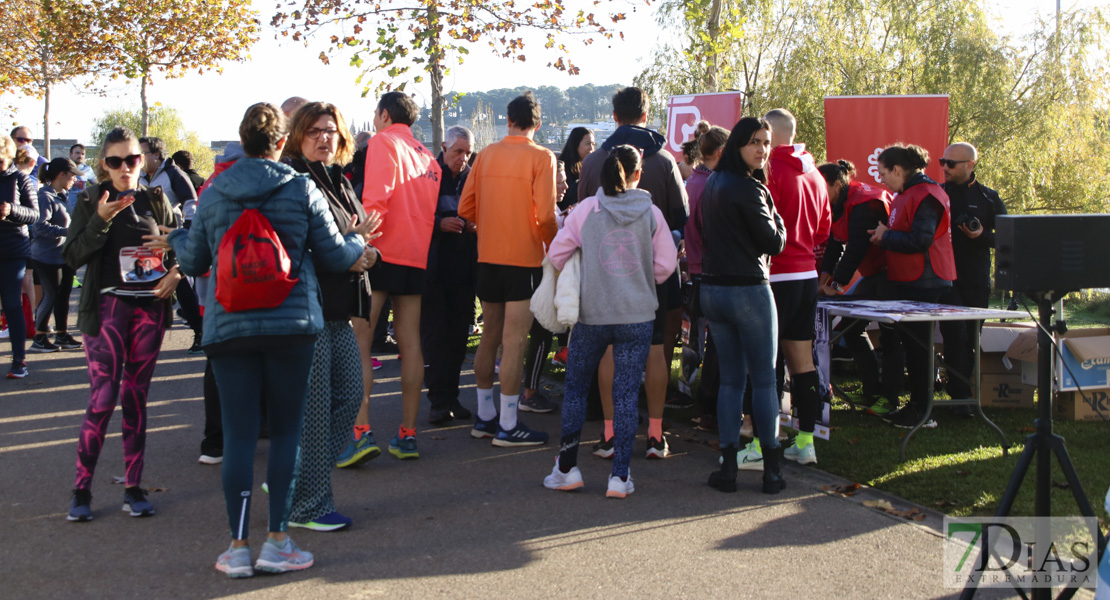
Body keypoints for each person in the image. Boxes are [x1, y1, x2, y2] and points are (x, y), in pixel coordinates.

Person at [157, 102, 375, 577]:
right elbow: (336, 256)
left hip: (229, 326)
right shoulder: (300, 187)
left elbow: (193, 262)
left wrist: (175, 238)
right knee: (287, 435)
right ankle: (278, 541)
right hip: (290, 326)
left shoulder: (214, 193)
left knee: (237, 437)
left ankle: (236, 547)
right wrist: (361, 245)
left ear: (243, 140)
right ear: (282, 142)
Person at [62, 126, 183, 522]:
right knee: (102, 400)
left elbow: (183, 244)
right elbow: (71, 257)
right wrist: (98, 219)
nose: (125, 168)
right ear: (104, 165)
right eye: (115, 161)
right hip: (107, 311)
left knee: (136, 400)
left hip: (148, 311)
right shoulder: (89, 200)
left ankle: (133, 487)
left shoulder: (155, 198)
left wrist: (176, 273)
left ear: (142, 159)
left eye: (132, 159)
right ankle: (82, 492)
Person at [542, 144, 677, 498]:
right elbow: (665, 265)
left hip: (593, 315)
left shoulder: (586, 209)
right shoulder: (651, 213)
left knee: (575, 388)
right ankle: (620, 477)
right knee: (628, 392)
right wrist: (640, 280)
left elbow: (557, 254)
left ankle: (567, 469)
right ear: (638, 173)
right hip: (637, 314)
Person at [281, 101, 382, 531]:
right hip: (310, 307)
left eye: (331, 131)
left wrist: (360, 246)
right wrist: (356, 249)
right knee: (319, 407)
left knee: (350, 393)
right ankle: (308, 506)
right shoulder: (296, 181)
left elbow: (347, 234)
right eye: (314, 131)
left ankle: (295, 481)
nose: (324, 138)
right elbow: (300, 244)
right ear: (296, 137)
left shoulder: (337, 178)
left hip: (340, 307)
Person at [578, 86, 688, 459]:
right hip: (654, 271)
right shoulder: (664, 160)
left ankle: (610, 435)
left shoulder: (593, 161)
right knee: (656, 350)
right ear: (646, 114)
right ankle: (656, 435)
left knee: (610, 350)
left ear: (613, 116)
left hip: (607, 273)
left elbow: (580, 220)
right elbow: (681, 219)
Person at [459, 91, 558, 447]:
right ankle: (509, 423)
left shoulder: (485, 155)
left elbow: (465, 208)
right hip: (524, 258)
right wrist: (553, 243)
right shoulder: (543, 157)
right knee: (515, 342)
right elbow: (546, 215)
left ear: (508, 119)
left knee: (490, 336)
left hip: (488, 256)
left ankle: (486, 417)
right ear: (538, 123)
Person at [350, 91, 441, 460]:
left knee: (361, 339)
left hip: (380, 251)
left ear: (384, 115)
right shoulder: (427, 156)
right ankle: (407, 433)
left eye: (375, 112)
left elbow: (376, 199)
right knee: (411, 344)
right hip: (416, 253)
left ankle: (361, 431)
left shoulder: (382, 142)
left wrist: (362, 243)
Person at [699, 116, 786, 494]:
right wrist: (777, 214)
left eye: (766, 142)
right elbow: (774, 242)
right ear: (737, 144)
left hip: (714, 289)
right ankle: (772, 469)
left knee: (731, 381)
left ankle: (729, 467)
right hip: (748, 290)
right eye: (754, 142)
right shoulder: (749, 188)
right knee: (764, 380)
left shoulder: (714, 181)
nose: (762, 149)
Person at [742, 108, 830, 469]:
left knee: (766, 364)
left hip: (774, 274)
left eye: (761, 137)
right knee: (802, 361)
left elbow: (757, 225)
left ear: (770, 135)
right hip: (806, 274)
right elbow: (825, 230)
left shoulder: (770, 171)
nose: (757, 145)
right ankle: (806, 441)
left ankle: (764, 445)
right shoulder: (816, 174)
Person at [868, 143, 956, 428]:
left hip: (925, 281)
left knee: (919, 347)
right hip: (909, 280)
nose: (881, 180)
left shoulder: (927, 194)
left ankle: (922, 409)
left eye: (883, 174)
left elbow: (921, 240)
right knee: (911, 345)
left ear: (897, 169)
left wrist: (887, 237)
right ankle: (916, 404)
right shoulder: (905, 194)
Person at [938, 142, 1006, 413]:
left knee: (971, 337)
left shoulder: (988, 197)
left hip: (976, 279)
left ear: (970, 165)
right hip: (945, 278)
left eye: (951, 164)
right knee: (955, 334)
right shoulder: (937, 192)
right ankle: (959, 397)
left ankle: (962, 391)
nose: (945, 167)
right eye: (943, 161)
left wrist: (982, 237)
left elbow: (1008, 237)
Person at [816, 160, 891, 408]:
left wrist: (835, 284)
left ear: (837, 184)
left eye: (820, 186)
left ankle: (889, 399)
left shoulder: (864, 201)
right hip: (874, 274)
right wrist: (824, 275)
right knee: (851, 328)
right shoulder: (836, 202)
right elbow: (835, 243)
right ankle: (873, 391)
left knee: (891, 334)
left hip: (893, 275)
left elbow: (857, 248)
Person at [421, 125, 479, 425]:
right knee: (435, 337)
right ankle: (438, 400)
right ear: (444, 147)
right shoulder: (428, 174)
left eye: (467, 153)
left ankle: (452, 395)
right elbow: (415, 213)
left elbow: (483, 211)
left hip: (464, 266)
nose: (463, 159)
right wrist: (438, 224)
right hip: (434, 267)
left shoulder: (472, 176)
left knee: (458, 335)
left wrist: (473, 224)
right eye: (458, 152)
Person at [683, 126, 729, 431]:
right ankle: (706, 406)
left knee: (701, 340)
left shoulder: (694, 182)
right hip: (711, 271)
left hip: (697, 270)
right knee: (716, 343)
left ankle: (697, 398)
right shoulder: (713, 184)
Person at [139, 137, 204, 352]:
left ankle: (200, 332)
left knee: (181, 287)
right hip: (145, 241)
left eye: (143, 154)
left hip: (170, 241)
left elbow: (191, 203)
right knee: (143, 285)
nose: (138, 159)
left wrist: (184, 233)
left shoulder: (174, 174)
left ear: (156, 155)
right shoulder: (139, 175)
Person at [30, 158, 83, 352]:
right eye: (72, 176)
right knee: (50, 295)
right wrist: (67, 231)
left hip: (63, 254)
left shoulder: (62, 195)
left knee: (64, 295)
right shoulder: (44, 196)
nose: (74, 180)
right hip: (45, 256)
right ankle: (39, 338)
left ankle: (62, 334)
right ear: (62, 175)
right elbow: (39, 226)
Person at [0, 134, 39, 379]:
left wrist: (11, 210)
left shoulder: (20, 178)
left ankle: (19, 361)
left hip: (13, 249)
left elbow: (35, 214)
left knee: (12, 304)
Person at [68, 144, 98, 213]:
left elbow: (97, 184)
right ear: (70, 154)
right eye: (77, 153)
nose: (80, 156)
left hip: (80, 209)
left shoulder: (87, 169)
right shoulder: (63, 167)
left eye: (82, 154)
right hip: (63, 206)